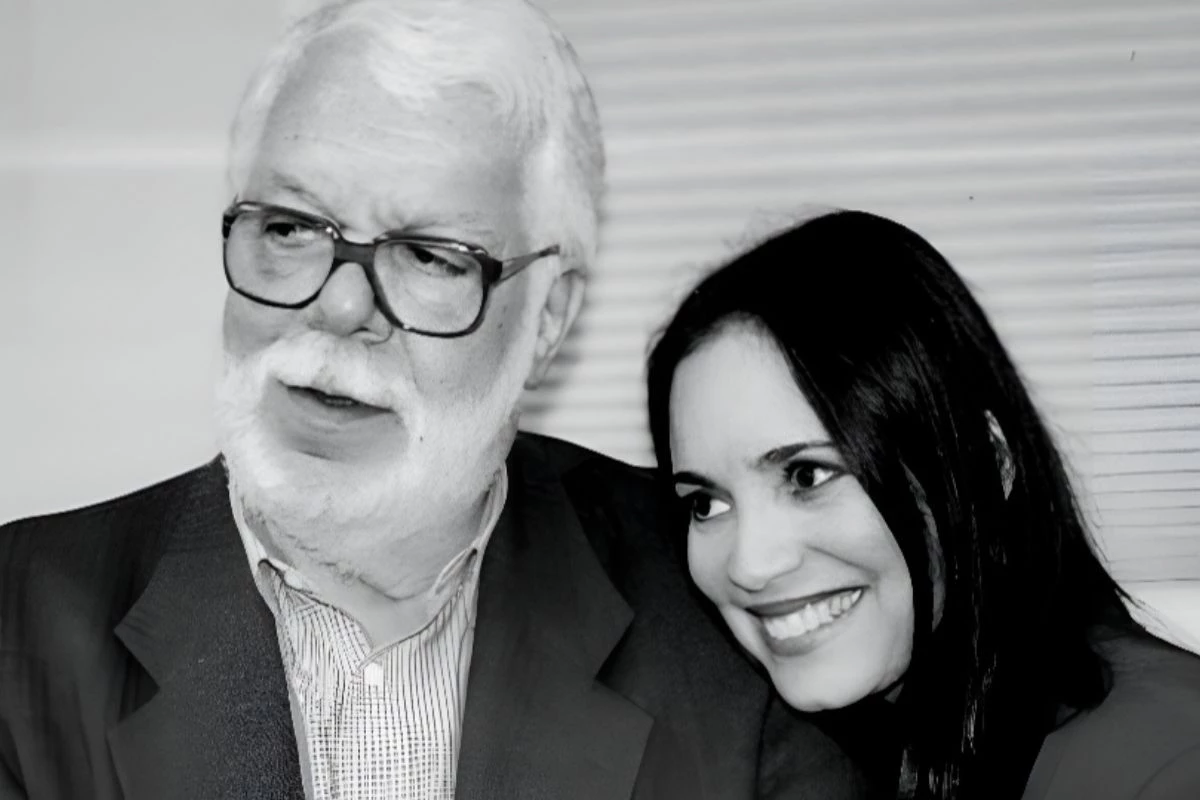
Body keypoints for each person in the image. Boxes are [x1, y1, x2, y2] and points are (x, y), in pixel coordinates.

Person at [0, 2, 864, 798]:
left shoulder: (729, 602)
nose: (341, 305)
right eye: (290, 228)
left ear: (548, 319)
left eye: (430, 257)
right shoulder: (18, 620)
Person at [646, 210, 1200, 799]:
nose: (750, 565)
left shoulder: (1165, 763)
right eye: (706, 503)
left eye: (808, 475)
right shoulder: (875, 744)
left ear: (988, 462)